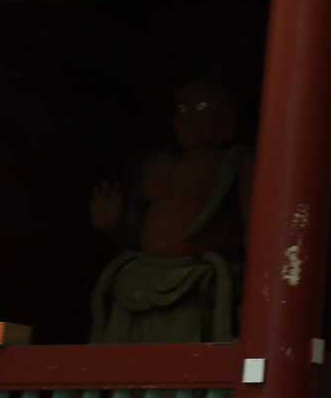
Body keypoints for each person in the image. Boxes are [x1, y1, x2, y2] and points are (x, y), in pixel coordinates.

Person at [89, 78, 255, 344]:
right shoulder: (158, 164)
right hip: (138, 279)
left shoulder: (237, 162)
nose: (187, 118)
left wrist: (256, 300)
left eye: (200, 108)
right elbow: (144, 239)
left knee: (184, 358)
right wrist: (114, 227)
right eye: (181, 109)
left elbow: (256, 233)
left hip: (196, 281)